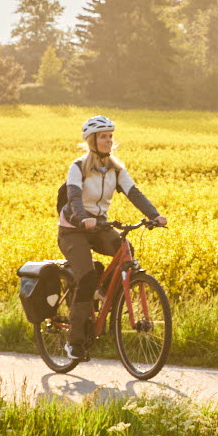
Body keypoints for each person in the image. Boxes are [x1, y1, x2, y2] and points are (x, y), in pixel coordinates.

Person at [57, 115, 166, 352]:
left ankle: (104, 295)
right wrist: (81, 218)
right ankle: (74, 342)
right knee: (85, 276)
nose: (109, 140)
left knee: (125, 251)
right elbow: (74, 197)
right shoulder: (78, 167)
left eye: (110, 136)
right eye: (103, 136)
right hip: (73, 230)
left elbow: (134, 193)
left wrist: (154, 215)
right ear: (91, 140)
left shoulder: (116, 169)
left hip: (99, 227)